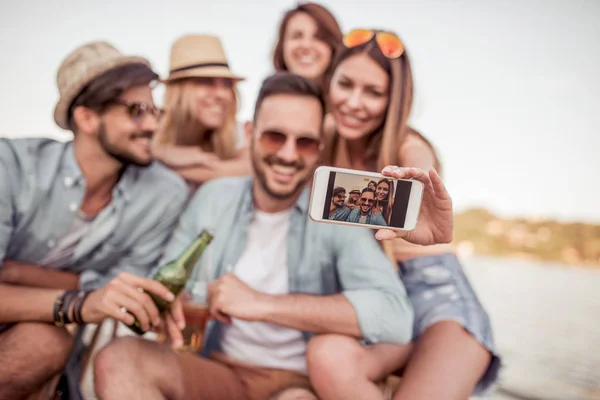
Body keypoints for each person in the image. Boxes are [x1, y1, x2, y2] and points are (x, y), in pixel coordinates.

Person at [92, 72, 455, 400]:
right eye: (274, 136)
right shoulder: (214, 197)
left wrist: (261, 304)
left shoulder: (339, 208)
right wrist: (162, 302)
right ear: (250, 135)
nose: (287, 154)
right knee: (119, 360)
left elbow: (393, 316)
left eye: (305, 142)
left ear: (320, 150)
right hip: (217, 367)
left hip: (295, 384)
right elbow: (166, 278)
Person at [311, 29, 500, 399]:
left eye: (374, 92)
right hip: (383, 301)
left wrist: (419, 192)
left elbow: (420, 167)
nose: (353, 102)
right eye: (345, 84)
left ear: (394, 100)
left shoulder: (407, 145)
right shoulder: (325, 138)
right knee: (328, 357)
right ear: (329, 82)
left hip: (438, 300)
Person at [0, 41, 189, 399]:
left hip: (38, 331)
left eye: (154, 110)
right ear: (86, 118)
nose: (151, 124)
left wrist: (16, 274)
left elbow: (123, 288)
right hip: (56, 317)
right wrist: (80, 302)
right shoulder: (12, 166)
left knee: (47, 342)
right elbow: (97, 296)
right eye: (136, 110)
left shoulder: (163, 194)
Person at [152, 34, 251, 191]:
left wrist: (160, 159)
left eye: (226, 84)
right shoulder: (149, 128)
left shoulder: (238, 133)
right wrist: (161, 153)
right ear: (179, 90)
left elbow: (250, 169)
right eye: (206, 82)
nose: (222, 94)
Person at [272, 2, 342, 89]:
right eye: (297, 36)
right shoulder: (266, 100)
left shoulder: (353, 101)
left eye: (318, 37)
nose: (306, 45)